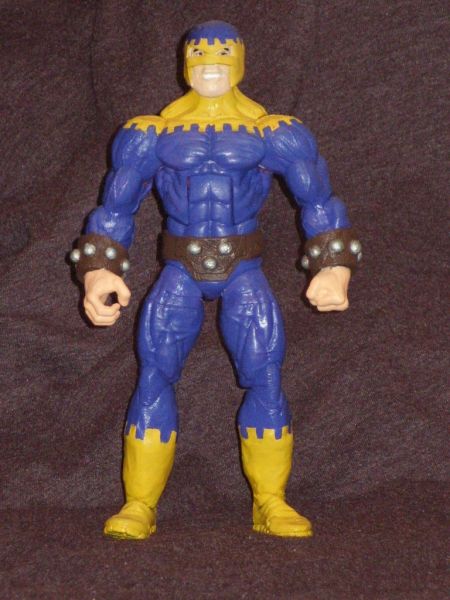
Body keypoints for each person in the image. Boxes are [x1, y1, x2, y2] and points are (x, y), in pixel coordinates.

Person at [70, 20, 361, 539]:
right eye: (200, 52)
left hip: (243, 267)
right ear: (185, 62)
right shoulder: (149, 134)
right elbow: (115, 208)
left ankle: (270, 501)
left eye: (222, 52)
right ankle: (139, 504)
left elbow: (318, 199)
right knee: (154, 374)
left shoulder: (272, 131)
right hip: (179, 268)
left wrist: (333, 267)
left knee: (266, 374)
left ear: (240, 61)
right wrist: (98, 272)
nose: (210, 61)